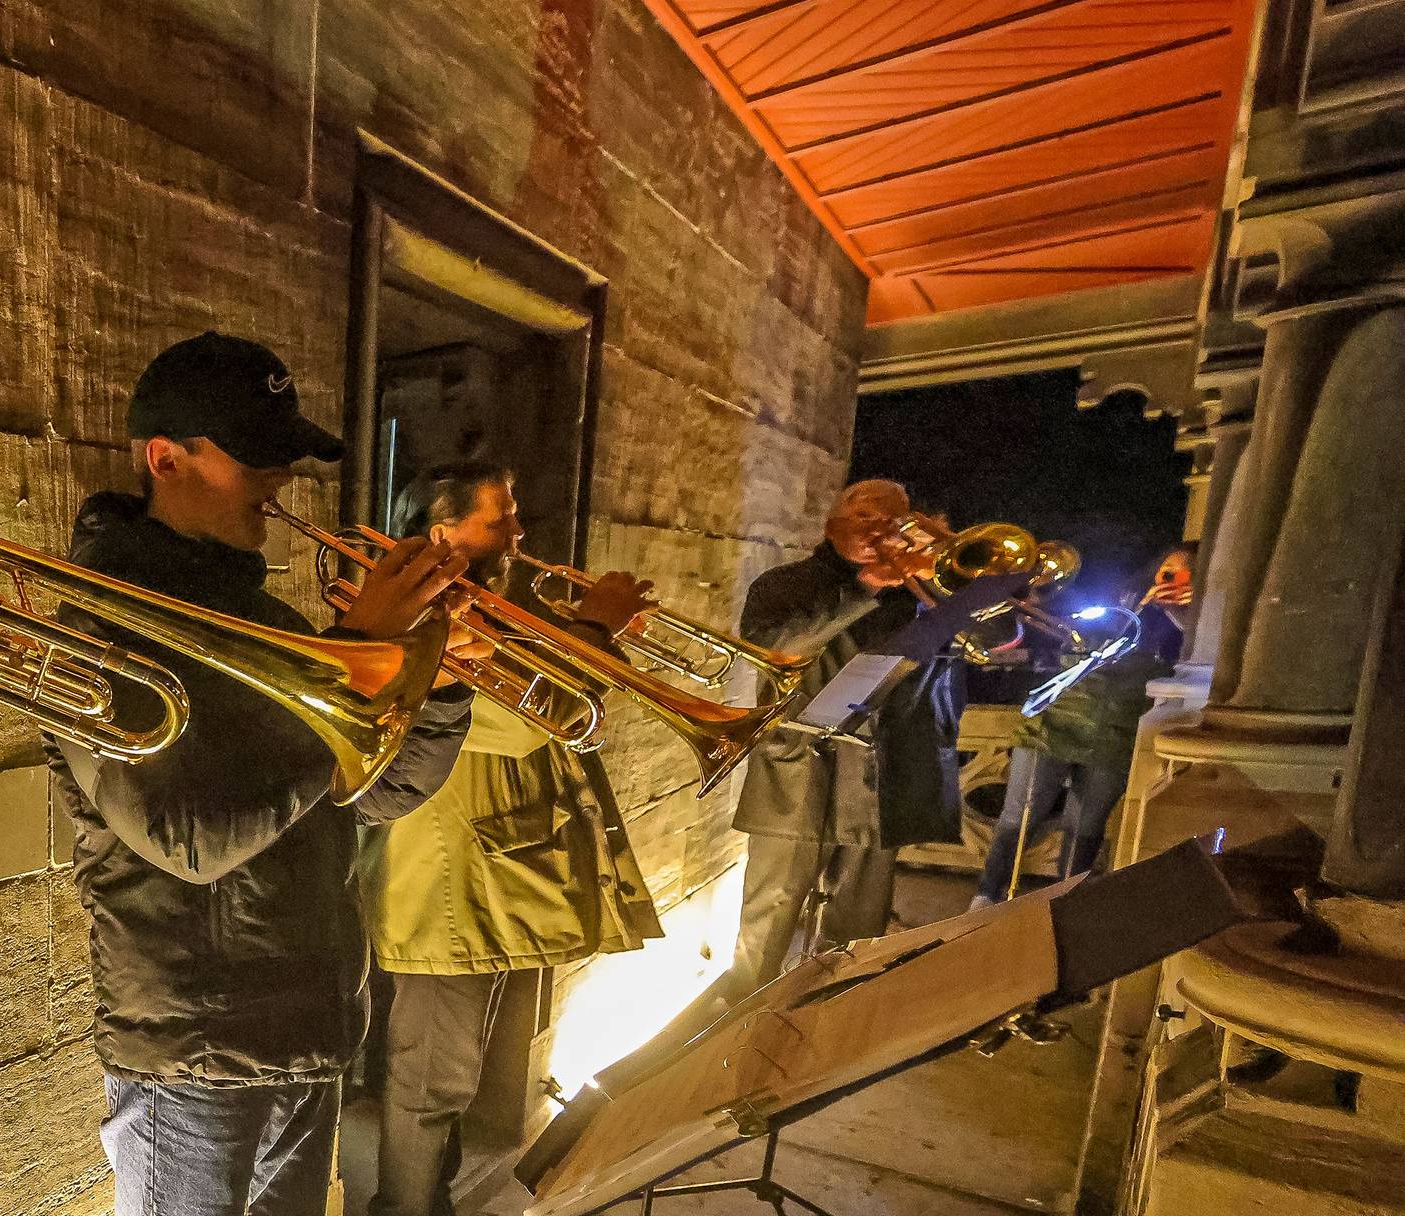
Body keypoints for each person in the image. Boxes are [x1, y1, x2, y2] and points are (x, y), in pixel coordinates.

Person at [47, 332, 486, 1216]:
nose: (282, 477)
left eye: (286, 453)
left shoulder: (269, 621)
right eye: (256, 455)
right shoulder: (99, 624)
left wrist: (436, 686)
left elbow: (375, 793)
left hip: (308, 1026)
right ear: (164, 459)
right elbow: (190, 837)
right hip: (195, 1050)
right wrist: (357, 655)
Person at [359, 463, 666, 1216]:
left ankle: (428, 1199)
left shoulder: (488, 608)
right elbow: (534, 716)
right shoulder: (417, 613)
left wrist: (586, 636)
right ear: (442, 533)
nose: (519, 533)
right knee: (429, 1083)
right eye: (499, 519)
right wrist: (595, 629)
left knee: (453, 1084)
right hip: (444, 886)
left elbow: (565, 709)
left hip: (492, 874)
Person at [718, 479, 960, 1002]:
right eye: (865, 518)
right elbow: (776, 646)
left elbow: (991, 642)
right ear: (832, 526)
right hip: (799, 770)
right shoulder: (785, 584)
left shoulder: (922, 592)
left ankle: (836, 1010)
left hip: (881, 777)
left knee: (859, 925)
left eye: (891, 521)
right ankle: (740, 1017)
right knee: (770, 913)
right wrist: (866, 587)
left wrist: (949, 577)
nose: (878, 531)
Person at [972, 543, 1197, 906]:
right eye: (1168, 571)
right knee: (1019, 816)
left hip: (1116, 733)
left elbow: (1197, 660)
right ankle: (986, 897)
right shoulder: (1115, 602)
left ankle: (1067, 904)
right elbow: (1062, 630)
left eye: (1186, 575)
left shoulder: (1189, 622)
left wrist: (1182, 615)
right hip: (1055, 722)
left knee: (1085, 827)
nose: (1171, 580)